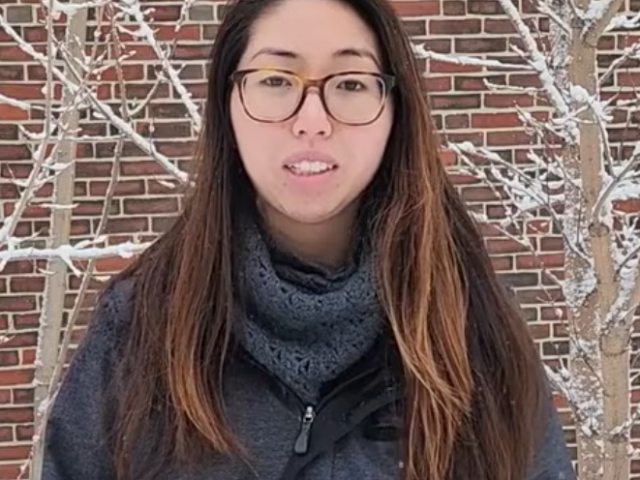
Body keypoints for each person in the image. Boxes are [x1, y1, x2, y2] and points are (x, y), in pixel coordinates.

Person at [43, 0, 577, 479]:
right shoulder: (141, 329)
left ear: (395, 110)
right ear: (228, 102)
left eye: (349, 83)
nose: (313, 121)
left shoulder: (473, 330)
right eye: (276, 80)